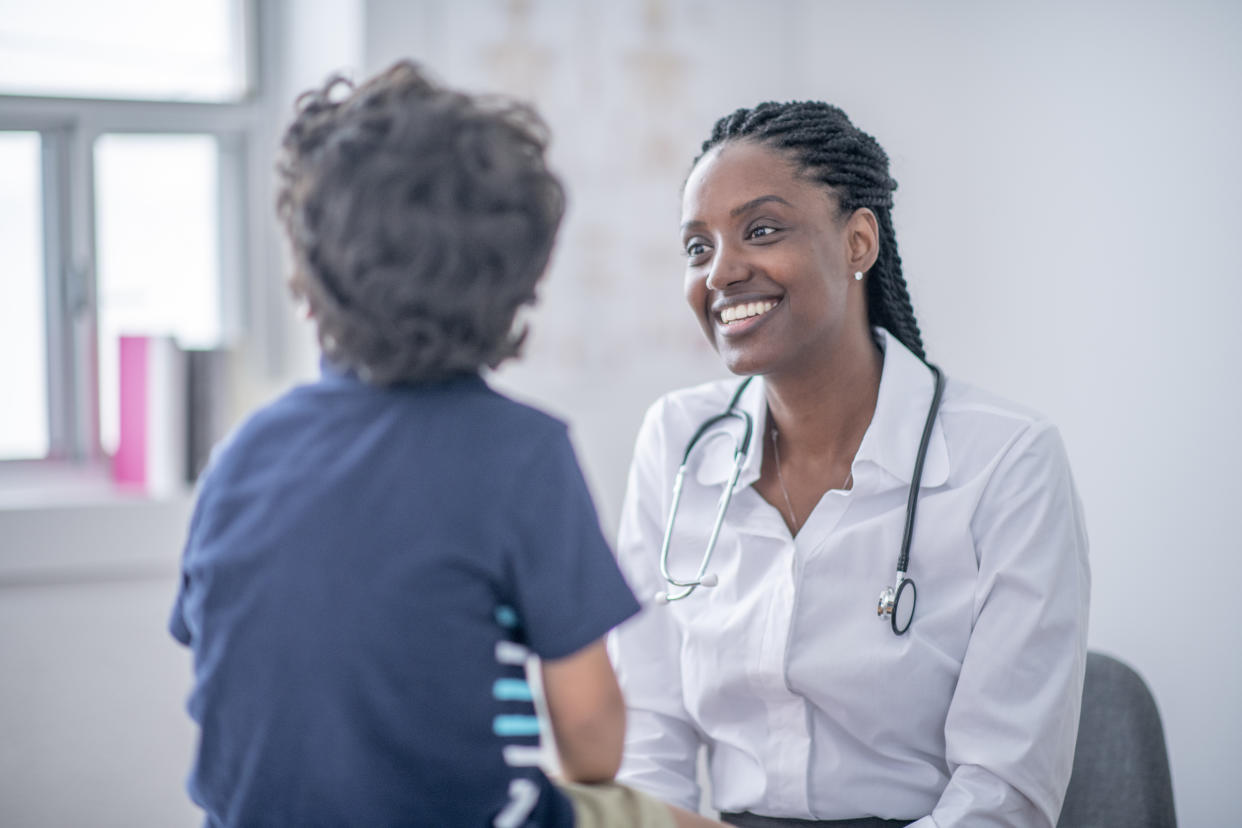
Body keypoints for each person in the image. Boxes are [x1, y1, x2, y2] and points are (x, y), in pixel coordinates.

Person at [169, 60, 723, 828]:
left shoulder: (243, 453)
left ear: (311, 265)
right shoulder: (521, 455)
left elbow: (233, 656)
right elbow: (592, 739)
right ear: (519, 276)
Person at [608, 101, 1091, 827]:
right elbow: (647, 740)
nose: (721, 273)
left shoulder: (1008, 462)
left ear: (858, 240)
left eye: (761, 231)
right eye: (697, 248)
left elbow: (1002, 797)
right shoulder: (677, 441)